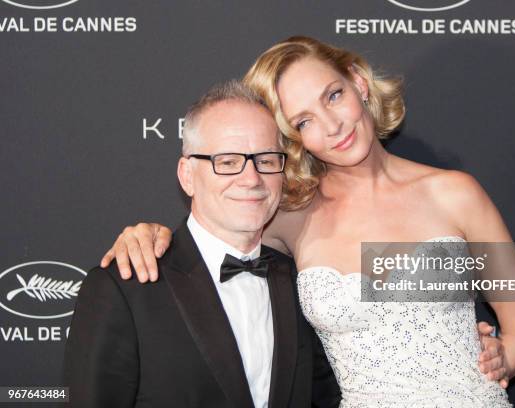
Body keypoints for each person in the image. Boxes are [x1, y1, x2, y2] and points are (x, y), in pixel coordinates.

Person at [101, 37, 515, 406]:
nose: (333, 126)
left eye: (333, 96)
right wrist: (149, 234)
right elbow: (210, 236)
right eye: (305, 121)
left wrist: (500, 362)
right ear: (292, 138)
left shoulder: (454, 193)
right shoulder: (289, 217)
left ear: (358, 82)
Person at [63, 80, 340, 408]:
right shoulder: (125, 288)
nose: (251, 178)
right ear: (187, 175)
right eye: (226, 162)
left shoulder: (297, 280)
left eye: (265, 160)